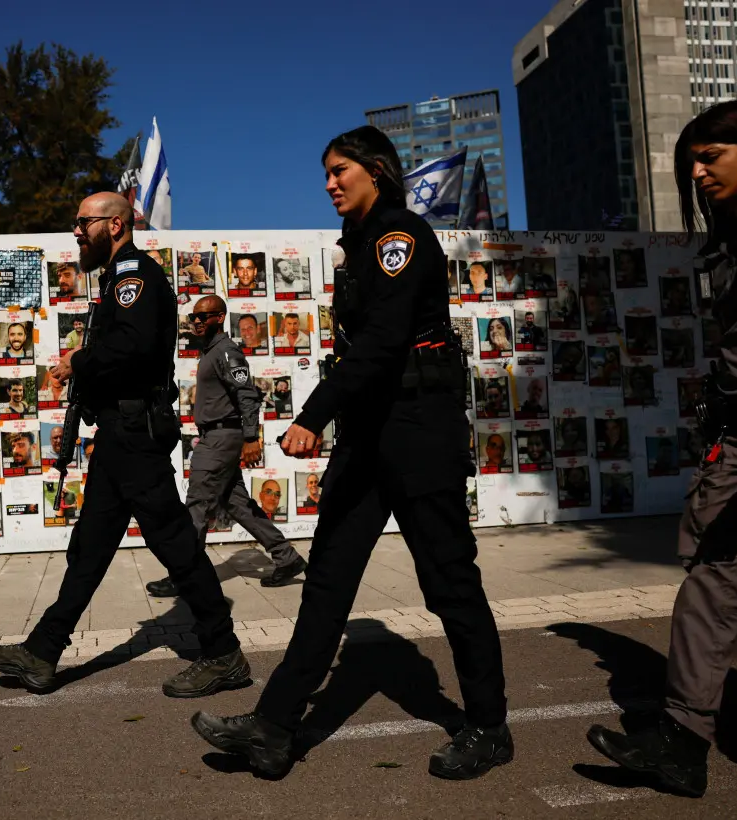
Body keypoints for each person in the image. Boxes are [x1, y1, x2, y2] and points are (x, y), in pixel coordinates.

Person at [191, 126, 510, 780]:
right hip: (368, 435)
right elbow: (364, 352)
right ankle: (275, 729)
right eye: (326, 174)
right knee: (328, 585)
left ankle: (488, 725)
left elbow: (387, 341)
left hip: (419, 429)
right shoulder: (359, 249)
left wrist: (313, 416)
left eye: (341, 171)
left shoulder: (400, 237)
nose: (330, 183)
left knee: (449, 584)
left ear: (377, 171)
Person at [586, 102, 737, 798]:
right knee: (708, 574)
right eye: (694, 159)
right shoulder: (725, 235)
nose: (699, 170)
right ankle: (682, 745)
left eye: (712, 156)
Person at [0, 191, 249, 698]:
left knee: (174, 545)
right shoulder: (115, 279)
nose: (76, 232)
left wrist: (77, 361)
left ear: (116, 226)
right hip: (119, 434)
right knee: (91, 550)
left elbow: (134, 349)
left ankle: (223, 653)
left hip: (135, 435)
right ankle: (41, 654)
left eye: (84, 222)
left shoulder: (134, 277)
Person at [147, 295, 306, 598]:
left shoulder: (226, 352)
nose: (196, 322)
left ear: (219, 317)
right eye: (193, 317)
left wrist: (250, 437)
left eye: (203, 317)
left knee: (197, 504)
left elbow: (246, 394)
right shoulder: (210, 351)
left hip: (221, 438)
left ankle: (185, 576)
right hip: (217, 436)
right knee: (237, 505)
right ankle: (287, 558)